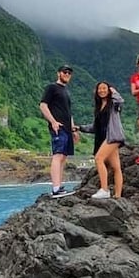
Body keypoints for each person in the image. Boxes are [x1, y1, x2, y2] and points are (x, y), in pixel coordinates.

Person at [77, 82, 126, 198]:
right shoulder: (99, 107)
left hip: (113, 137)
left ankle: (104, 189)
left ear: (108, 90)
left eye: (104, 88)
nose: (102, 90)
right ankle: (118, 195)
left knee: (99, 158)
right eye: (99, 88)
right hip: (103, 138)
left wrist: (114, 92)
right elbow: (95, 127)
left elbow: (120, 101)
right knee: (116, 167)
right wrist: (80, 128)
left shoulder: (113, 104)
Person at [39, 65, 79, 198]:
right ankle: (55, 188)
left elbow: (69, 112)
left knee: (63, 157)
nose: (67, 74)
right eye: (65, 72)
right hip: (58, 127)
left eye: (69, 73)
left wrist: (73, 129)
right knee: (58, 155)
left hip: (67, 128)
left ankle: (59, 186)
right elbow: (43, 105)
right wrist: (53, 121)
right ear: (59, 73)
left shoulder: (66, 91)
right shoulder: (52, 87)